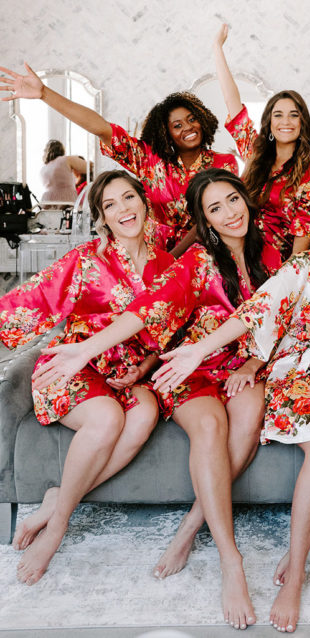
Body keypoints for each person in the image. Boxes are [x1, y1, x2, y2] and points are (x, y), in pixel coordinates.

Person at [135, 176, 310, 632]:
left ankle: (303, 544)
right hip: (297, 370)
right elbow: (255, 310)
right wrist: (198, 349)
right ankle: (295, 573)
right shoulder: (304, 266)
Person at [31, 168, 281, 629]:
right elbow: (148, 311)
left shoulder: (271, 253)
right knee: (209, 427)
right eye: (214, 208)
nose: (229, 213)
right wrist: (85, 350)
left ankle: (189, 529)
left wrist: (251, 365)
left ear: (246, 199)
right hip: (188, 365)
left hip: (244, 367)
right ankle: (231, 560)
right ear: (203, 221)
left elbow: (281, 318)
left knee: (249, 415)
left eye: (233, 200)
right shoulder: (194, 262)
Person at [0, 170, 175, 585]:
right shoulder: (87, 260)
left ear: (144, 202)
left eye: (128, 198)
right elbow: (29, 299)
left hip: (126, 372)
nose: (122, 209)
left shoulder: (167, 265)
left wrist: (146, 367)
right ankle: (58, 526)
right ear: (102, 216)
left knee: (146, 411)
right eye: (110, 204)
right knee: (107, 420)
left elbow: (166, 330)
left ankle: (59, 497)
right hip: (73, 363)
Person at [0, 63, 238, 254]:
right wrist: (44, 94)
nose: (188, 127)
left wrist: (174, 257)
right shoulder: (148, 159)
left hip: (206, 258)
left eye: (192, 119)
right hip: (151, 256)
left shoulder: (224, 163)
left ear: (203, 119)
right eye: (177, 125)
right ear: (165, 132)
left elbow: (211, 219)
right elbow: (100, 128)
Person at [214, 24, 310, 261]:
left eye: (294, 114)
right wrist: (217, 48)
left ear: (303, 123)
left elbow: (302, 238)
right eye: (278, 115)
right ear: (269, 123)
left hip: (275, 267)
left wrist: (287, 286)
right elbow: (232, 100)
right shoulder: (255, 152)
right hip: (237, 252)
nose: (286, 121)